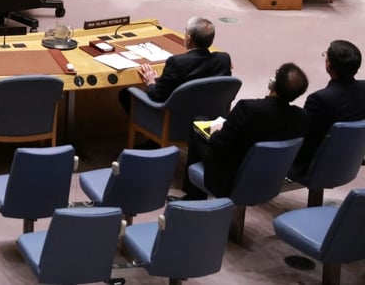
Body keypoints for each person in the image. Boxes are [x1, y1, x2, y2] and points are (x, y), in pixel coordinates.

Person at [182, 62, 308, 199]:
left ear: (274, 83)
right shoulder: (301, 117)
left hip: (229, 176)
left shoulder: (247, 108)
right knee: (203, 120)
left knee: (197, 129)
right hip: (267, 175)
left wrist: (215, 133)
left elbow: (220, 143)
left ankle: (193, 197)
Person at [121, 17, 232, 114]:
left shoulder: (177, 63)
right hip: (209, 114)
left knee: (125, 94)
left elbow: (156, 96)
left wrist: (151, 82)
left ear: (188, 39)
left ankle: (157, 135)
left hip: (175, 119)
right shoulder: (223, 59)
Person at [294, 40, 365, 172]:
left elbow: (306, 139)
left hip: (318, 165)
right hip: (353, 157)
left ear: (329, 65)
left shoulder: (320, 99)